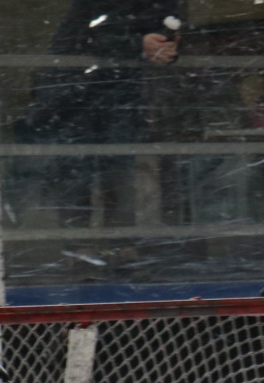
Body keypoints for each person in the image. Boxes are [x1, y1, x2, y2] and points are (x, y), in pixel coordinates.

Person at [17, 1, 187, 229]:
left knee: (111, 175)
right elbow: (79, 39)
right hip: (84, 96)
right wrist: (140, 45)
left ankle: (107, 241)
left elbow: (169, 36)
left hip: (115, 94)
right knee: (86, 174)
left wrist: (163, 48)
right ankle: (92, 242)